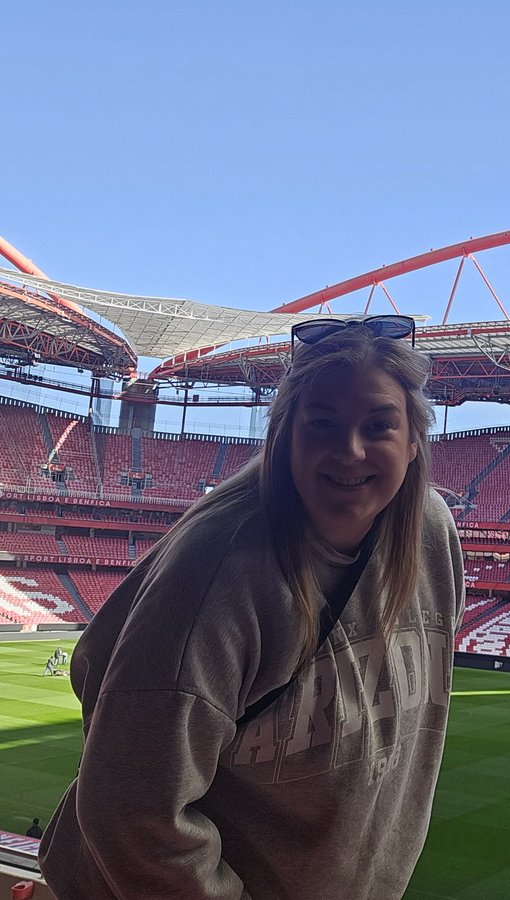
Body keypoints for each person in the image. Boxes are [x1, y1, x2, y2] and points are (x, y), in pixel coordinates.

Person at [38, 316, 465, 899]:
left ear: (413, 441)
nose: (351, 450)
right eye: (322, 424)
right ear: (284, 435)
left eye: (379, 425)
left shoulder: (432, 534)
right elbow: (131, 805)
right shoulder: (221, 570)